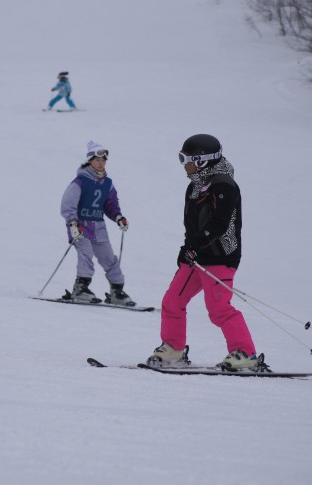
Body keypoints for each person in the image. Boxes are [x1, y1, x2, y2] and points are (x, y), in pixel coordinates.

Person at [146, 134, 259, 369]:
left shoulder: (224, 185)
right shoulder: (195, 186)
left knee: (219, 309)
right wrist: (187, 248)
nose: (183, 164)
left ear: (201, 161)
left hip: (220, 256)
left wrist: (195, 246)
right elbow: (193, 224)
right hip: (197, 257)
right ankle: (173, 350)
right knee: (172, 301)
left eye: (185, 158)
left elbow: (219, 224)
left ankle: (245, 354)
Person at [60, 140, 134, 306]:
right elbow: (67, 204)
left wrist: (118, 217)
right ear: (90, 161)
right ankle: (80, 288)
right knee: (85, 253)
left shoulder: (107, 183)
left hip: (98, 225)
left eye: (103, 160)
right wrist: (72, 223)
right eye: (97, 160)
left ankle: (117, 291)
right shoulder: (80, 181)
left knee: (108, 258)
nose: (101, 163)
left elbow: (111, 205)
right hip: (79, 226)